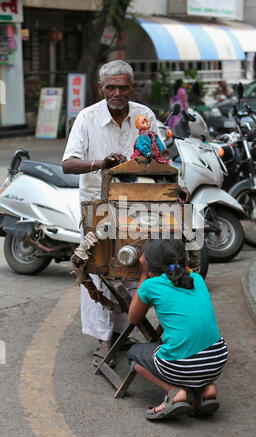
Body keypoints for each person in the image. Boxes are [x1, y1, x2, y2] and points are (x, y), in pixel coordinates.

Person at [62, 60, 190, 367]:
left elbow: (162, 156)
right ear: (101, 89)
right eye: (111, 87)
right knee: (100, 270)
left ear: (131, 88)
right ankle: (103, 340)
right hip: (99, 211)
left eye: (123, 87)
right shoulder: (87, 118)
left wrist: (179, 184)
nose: (117, 92)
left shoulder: (144, 115)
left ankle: (125, 332)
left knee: (135, 271)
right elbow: (68, 164)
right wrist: (100, 163)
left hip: (141, 208)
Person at [127, 238, 228, 421]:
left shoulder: (151, 285)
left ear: (150, 262)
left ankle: (175, 392)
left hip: (180, 366)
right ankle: (205, 390)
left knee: (134, 354)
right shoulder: (196, 278)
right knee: (189, 350)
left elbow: (133, 318)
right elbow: (174, 270)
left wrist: (144, 274)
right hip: (217, 359)